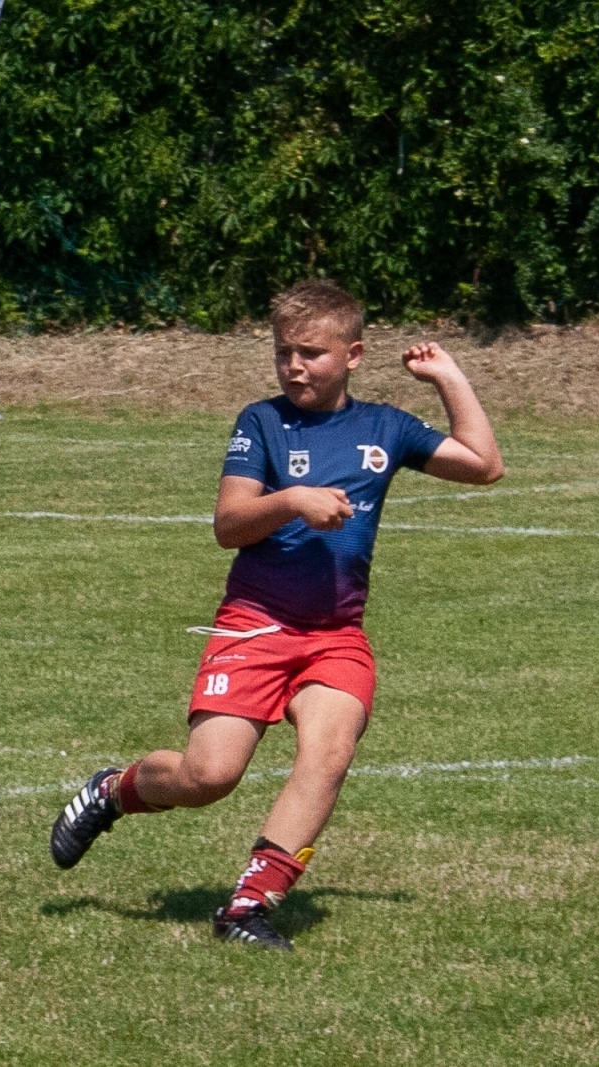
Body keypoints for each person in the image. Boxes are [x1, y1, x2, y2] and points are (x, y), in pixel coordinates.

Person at [48, 280, 505, 951]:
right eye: (283, 352)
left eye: (311, 353)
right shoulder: (261, 422)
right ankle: (114, 791)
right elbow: (228, 525)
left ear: (352, 355)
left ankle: (248, 906)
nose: (294, 366)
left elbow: (485, 465)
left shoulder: (386, 427)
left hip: (336, 635)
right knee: (209, 777)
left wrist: (448, 378)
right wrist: (293, 499)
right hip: (254, 624)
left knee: (329, 753)